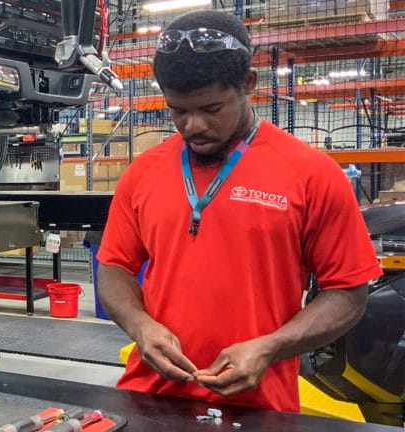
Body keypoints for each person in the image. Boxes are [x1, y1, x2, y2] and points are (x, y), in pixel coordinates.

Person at [96, 10, 382, 413]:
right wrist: (141, 326)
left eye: (212, 109)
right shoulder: (143, 173)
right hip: (149, 399)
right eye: (178, 110)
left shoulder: (311, 175)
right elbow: (114, 267)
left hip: (258, 406)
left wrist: (270, 348)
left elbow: (349, 293)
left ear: (249, 83)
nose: (193, 125)